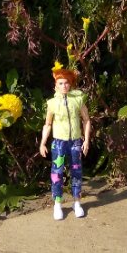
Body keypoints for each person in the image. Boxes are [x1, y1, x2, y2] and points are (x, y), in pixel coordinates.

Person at [39, 68, 91, 220]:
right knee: (57, 173)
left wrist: (86, 140)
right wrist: (43, 143)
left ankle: (77, 202)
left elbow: (86, 120)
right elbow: (47, 124)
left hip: (75, 141)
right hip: (59, 143)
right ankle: (57, 203)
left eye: (67, 83)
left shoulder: (78, 100)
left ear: (71, 84)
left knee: (76, 172)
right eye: (60, 83)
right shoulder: (52, 103)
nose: (64, 86)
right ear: (55, 85)